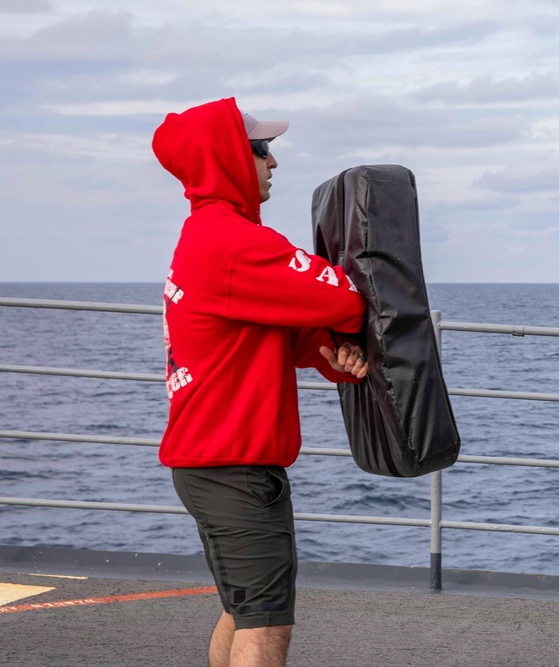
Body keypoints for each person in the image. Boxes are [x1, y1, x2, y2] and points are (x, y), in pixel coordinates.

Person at [152, 97, 369, 667]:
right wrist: (346, 328)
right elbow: (348, 299)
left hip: (210, 463)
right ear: (229, 157)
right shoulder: (235, 242)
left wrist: (331, 354)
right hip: (234, 468)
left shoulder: (206, 237)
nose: (274, 162)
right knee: (266, 628)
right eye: (262, 150)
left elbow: (283, 334)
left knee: (242, 609)